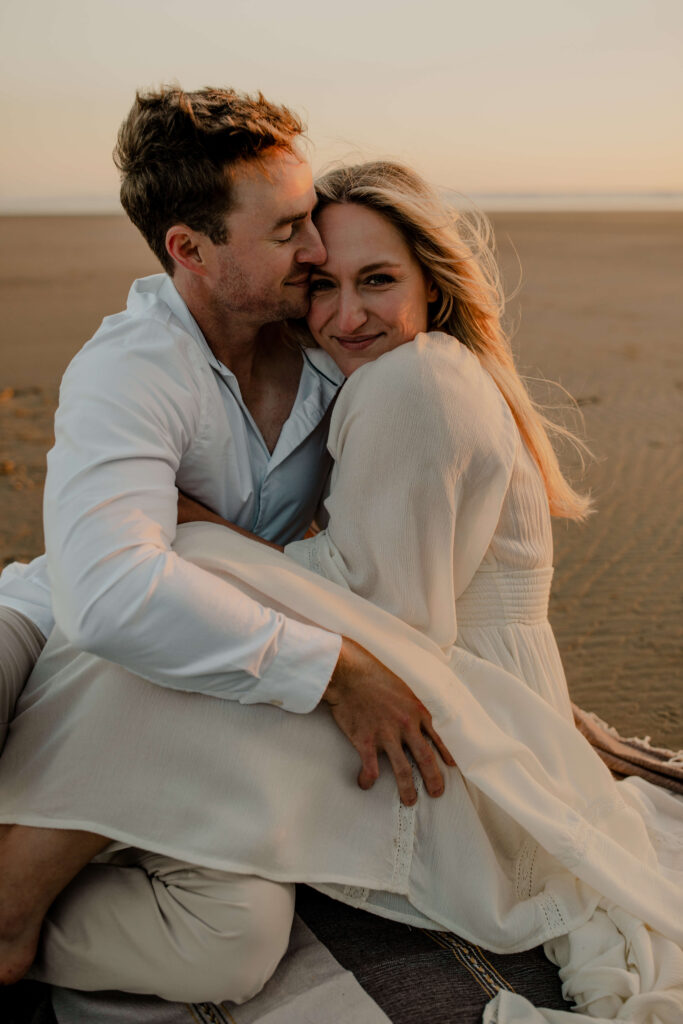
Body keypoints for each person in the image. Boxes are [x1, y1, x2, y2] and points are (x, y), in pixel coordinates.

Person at [1, 160, 681, 1022]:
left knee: (189, 597)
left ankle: (20, 881)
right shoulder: (398, 369)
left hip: (453, 708)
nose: (346, 314)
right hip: (433, 670)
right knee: (189, 615)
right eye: (321, 284)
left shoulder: (413, 383)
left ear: (431, 285)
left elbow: (377, 614)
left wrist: (203, 527)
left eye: (377, 281)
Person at [0, 90, 455, 1001]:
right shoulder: (131, 366)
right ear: (189, 249)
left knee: (231, 948)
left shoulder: (335, 343)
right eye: (288, 229)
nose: (318, 250)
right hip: (53, 627)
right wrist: (338, 671)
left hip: (215, 673)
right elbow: (106, 599)